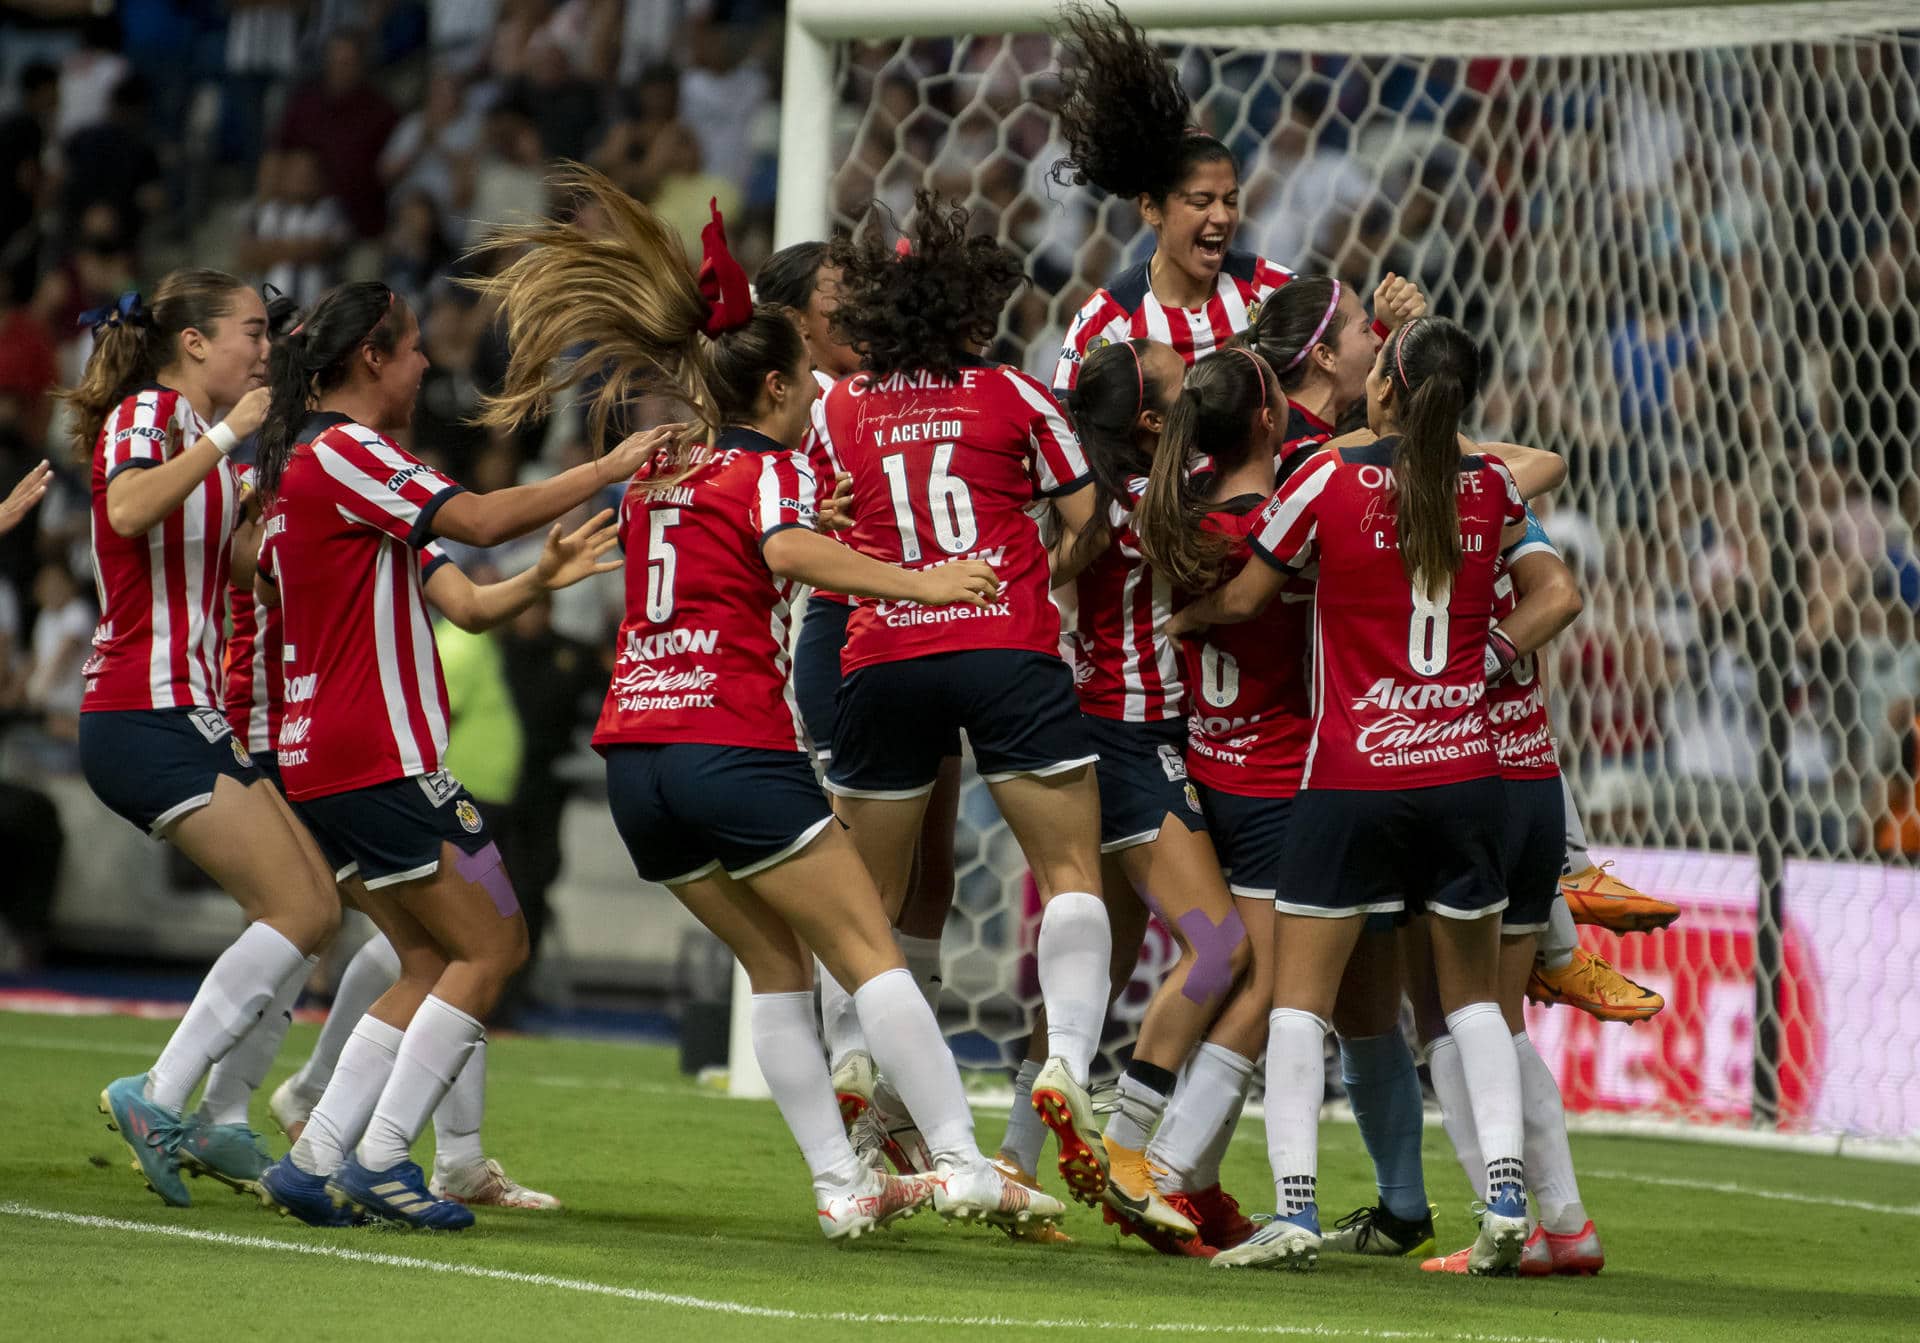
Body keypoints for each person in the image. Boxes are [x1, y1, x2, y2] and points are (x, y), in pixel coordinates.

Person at [470, 167, 1063, 1239]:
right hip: (730, 747)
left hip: (636, 763)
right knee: (870, 949)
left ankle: (841, 1185)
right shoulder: (771, 470)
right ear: (782, 387)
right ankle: (965, 1160)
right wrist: (927, 581)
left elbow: (750, 549)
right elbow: (785, 546)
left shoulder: (663, 477)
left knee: (775, 966)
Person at [247, 279, 662, 1230]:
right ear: (371, 358)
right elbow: (476, 520)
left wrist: (542, 577)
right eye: (412, 349)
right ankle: (385, 1156)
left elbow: (465, 601)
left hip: (321, 753)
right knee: (496, 942)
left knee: (429, 955)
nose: (426, 364)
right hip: (379, 750)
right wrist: (607, 467)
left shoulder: (306, 474)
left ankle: (314, 1157)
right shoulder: (349, 451)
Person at [1175, 316, 1532, 1274]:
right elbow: (1505, 519)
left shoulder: (1327, 477)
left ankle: (1295, 1208)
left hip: (1350, 775)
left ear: (1384, 390)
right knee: (1471, 1004)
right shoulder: (1493, 486)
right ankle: (1505, 1196)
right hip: (1465, 774)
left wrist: (1187, 615)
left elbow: (1249, 596)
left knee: (1298, 1000)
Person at [815, 191, 1116, 1208]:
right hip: (1002, 644)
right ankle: (1066, 1061)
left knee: (865, 900)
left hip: (883, 652)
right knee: (1070, 869)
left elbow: (815, 518)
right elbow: (1089, 516)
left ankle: (856, 1058)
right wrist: (1042, 569)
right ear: (970, 310)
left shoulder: (840, 407)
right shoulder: (1017, 395)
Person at [66, 273, 341, 1209]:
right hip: (142, 710)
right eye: (252, 333)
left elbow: (235, 570)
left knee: (314, 909)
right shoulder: (151, 414)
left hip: (190, 707)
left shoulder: (211, 448)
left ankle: (220, 1114)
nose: (266, 351)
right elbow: (127, 510)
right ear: (193, 342)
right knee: (296, 908)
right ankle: (161, 1092)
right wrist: (230, 438)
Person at [756, 240, 962, 1177]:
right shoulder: (817, 404)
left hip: (919, 635)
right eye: (840, 293)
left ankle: (884, 1093)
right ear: (796, 320)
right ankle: (857, 1068)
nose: (860, 306)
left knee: (930, 872)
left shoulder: (866, 392)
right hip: (855, 633)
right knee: (874, 881)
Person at [1417, 508, 1606, 1277]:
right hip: (1534, 778)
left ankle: (1509, 1223)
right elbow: (1544, 471)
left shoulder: (1397, 511)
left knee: (1445, 1014)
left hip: (1459, 776)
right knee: (1504, 1019)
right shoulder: (1497, 503)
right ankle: (1565, 1219)